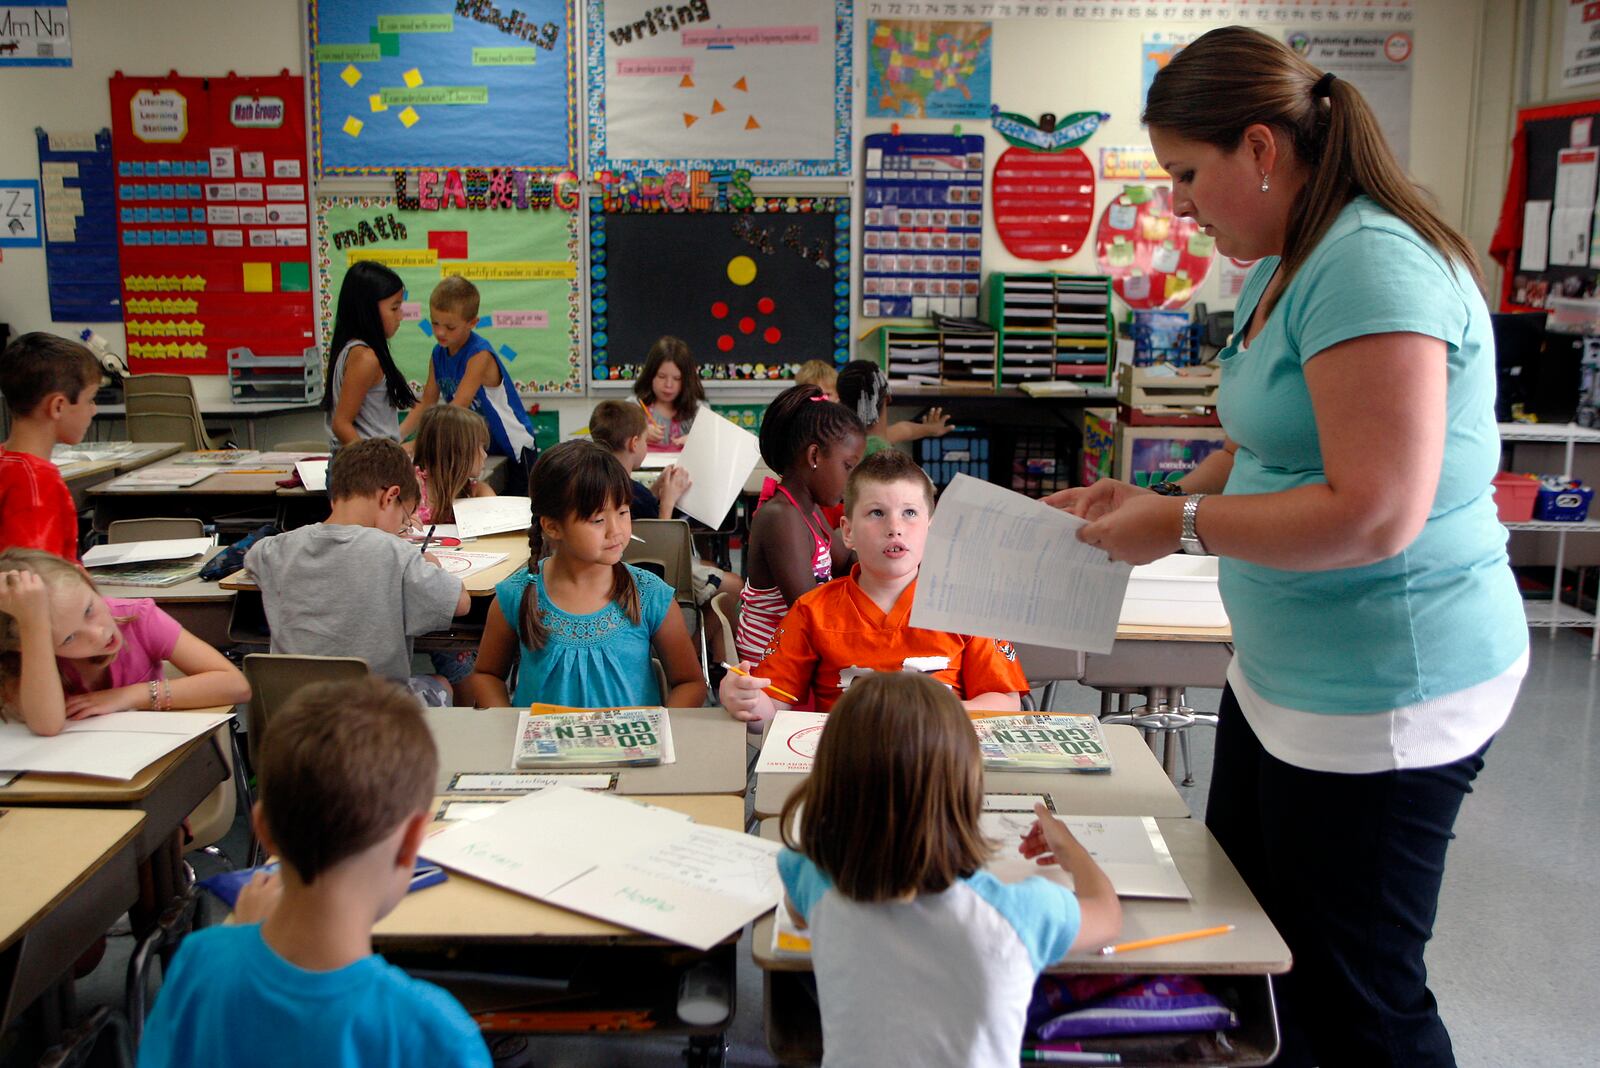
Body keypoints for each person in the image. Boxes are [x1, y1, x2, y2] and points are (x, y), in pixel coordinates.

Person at [1049, 27, 1527, 1068]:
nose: (1177, 204)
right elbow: (1268, 434)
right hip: (1287, 679)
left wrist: (1175, 527)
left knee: (1358, 995)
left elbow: (1373, 512)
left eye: (1185, 174)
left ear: (1260, 149)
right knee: (1264, 954)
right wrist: (1168, 492)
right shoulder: (1288, 257)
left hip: (1385, 689)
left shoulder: (1369, 264)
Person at [136, 677, 491, 1068]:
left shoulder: (197, 963)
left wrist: (238, 940)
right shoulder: (436, 1031)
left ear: (264, 830)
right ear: (411, 844)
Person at [777, 671, 1120, 1068]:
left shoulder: (807, 874)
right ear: (967, 789)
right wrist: (1070, 848)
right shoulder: (1022, 912)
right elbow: (1107, 914)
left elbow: (800, 912)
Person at [722, 449, 1027, 719]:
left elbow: (1005, 700)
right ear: (848, 531)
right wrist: (744, 699)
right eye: (877, 513)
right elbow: (770, 706)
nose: (895, 528)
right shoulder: (812, 610)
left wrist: (926, 715)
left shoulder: (966, 607)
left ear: (931, 529)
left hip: (939, 764)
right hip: (848, 768)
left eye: (909, 513)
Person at [467, 440, 706, 709]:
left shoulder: (649, 594)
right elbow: (487, 675)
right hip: (543, 750)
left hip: (632, 751)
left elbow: (690, 683)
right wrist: (507, 726)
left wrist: (661, 733)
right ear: (553, 527)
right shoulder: (517, 594)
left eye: (623, 511)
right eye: (597, 520)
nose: (615, 530)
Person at [246, 439, 471, 707]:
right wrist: (430, 563)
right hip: (377, 721)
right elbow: (461, 603)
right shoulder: (396, 554)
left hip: (296, 719)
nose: (401, 528)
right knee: (441, 684)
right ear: (389, 496)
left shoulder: (278, 549)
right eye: (403, 519)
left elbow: (252, 556)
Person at [0, 548, 250, 736]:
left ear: (85, 578)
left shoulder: (139, 617)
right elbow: (47, 725)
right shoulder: (26, 657)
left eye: (88, 610)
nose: (98, 634)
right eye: (69, 638)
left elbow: (235, 685)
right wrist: (34, 628)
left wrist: (126, 696)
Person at [734, 385, 865, 666]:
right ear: (815, 456)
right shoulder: (781, 517)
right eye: (848, 466)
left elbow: (845, 561)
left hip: (800, 650)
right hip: (773, 665)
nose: (853, 480)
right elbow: (809, 611)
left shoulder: (809, 509)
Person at [587, 398, 742, 609]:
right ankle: (697, 638)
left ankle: (703, 632)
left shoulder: (608, 484)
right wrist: (668, 500)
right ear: (634, 443)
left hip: (619, 570)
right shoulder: (622, 489)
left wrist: (657, 488)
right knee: (735, 585)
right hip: (651, 571)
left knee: (711, 568)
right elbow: (660, 544)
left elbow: (638, 507)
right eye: (644, 440)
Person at [398, 275, 538, 482]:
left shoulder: (479, 355)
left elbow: (456, 409)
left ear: (472, 323)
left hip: (513, 447)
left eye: (450, 327)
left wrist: (416, 445)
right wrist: (395, 437)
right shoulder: (438, 354)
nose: (439, 332)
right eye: (435, 323)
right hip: (480, 449)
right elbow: (427, 402)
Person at [0, 332, 99, 561]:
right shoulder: (37, 483)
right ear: (58, 407)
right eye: (90, 399)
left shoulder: (8, 463)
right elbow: (40, 580)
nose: (93, 410)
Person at [323, 261, 415, 450]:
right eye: (394, 308)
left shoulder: (355, 351)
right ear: (368, 310)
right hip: (363, 469)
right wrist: (371, 464)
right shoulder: (365, 358)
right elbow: (341, 424)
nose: (400, 316)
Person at [835, 359, 952, 458]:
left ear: (840, 402)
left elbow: (905, 429)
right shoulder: (885, 460)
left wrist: (931, 429)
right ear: (888, 398)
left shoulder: (843, 444)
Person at [412, 404, 494, 527]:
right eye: (480, 446)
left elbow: (498, 524)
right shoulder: (410, 487)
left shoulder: (477, 491)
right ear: (457, 450)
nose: (484, 455)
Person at [632, 336, 704, 450]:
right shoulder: (633, 407)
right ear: (650, 375)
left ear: (687, 379)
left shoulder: (699, 410)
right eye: (661, 376)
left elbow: (713, 446)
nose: (668, 385)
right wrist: (641, 435)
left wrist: (696, 441)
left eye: (677, 378)